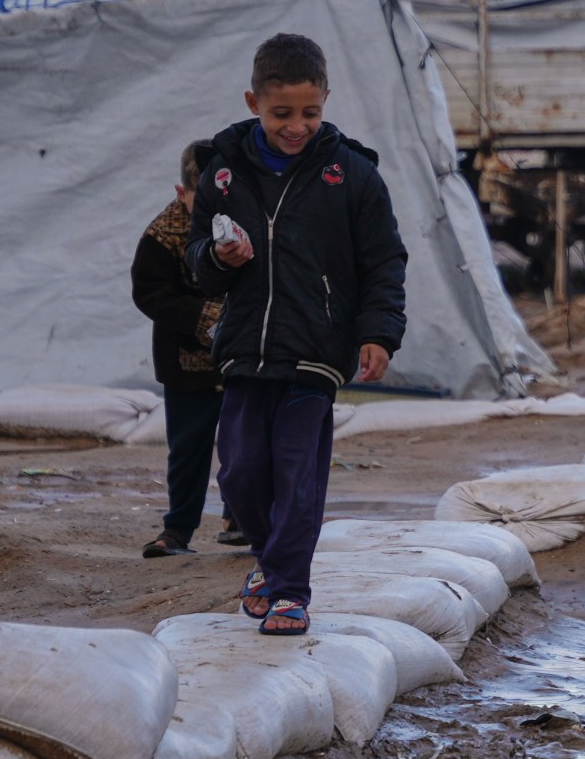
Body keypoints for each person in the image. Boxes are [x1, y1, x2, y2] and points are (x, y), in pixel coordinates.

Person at [187, 34, 408, 635]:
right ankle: (270, 561)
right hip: (244, 351)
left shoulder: (353, 175)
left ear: (327, 101)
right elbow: (196, 260)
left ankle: (290, 591)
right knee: (238, 473)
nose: (297, 126)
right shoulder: (224, 172)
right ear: (253, 101)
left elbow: (384, 260)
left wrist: (379, 334)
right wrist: (220, 257)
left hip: (316, 349)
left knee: (296, 472)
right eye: (282, 114)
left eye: (310, 113)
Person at [129, 142, 246, 558]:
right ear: (182, 195)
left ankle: (241, 518)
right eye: (203, 200)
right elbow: (149, 293)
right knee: (188, 448)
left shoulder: (242, 226)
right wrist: (206, 317)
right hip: (186, 364)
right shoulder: (162, 235)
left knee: (244, 442)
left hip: (242, 360)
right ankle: (177, 530)